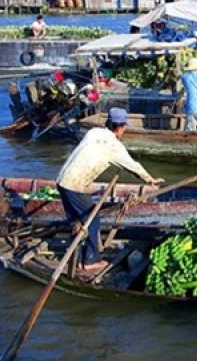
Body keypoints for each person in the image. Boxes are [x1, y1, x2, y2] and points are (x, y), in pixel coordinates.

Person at [55, 107, 165, 276]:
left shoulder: (94, 132)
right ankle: (90, 261)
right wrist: (150, 179)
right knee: (92, 220)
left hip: (62, 180)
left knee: (76, 222)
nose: (125, 130)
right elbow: (133, 166)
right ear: (119, 127)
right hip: (75, 185)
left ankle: (75, 259)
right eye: (124, 127)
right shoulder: (114, 147)